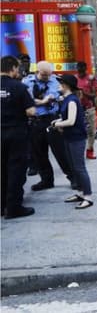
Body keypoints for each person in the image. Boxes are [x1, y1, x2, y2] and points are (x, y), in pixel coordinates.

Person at [1, 55, 36, 218]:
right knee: (16, 169)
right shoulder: (19, 87)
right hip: (16, 133)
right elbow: (31, 111)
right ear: (13, 68)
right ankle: (14, 207)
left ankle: (1, 206)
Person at [52, 74, 93, 210]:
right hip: (69, 137)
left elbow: (71, 121)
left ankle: (88, 197)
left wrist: (57, 124)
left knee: (79, 168)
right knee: (74, 166)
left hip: (76, 138)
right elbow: (67, 119)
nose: (58, 85)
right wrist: (57, 122)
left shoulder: (71, 101)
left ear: (66, 85)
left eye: (60, 83)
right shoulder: (67, 99)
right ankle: (81, 193)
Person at [23, 61, 61, 191]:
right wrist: (43, 101)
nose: (47, 78)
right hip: (35, 120)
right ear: (37, 71)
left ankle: (73, 178)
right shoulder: (27, 82)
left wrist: (40, 101)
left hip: (51, 119)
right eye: (44, 75)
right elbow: (26, 100)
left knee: (60, 151)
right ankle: (46, 180)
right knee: (39, 153)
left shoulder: (54, 81)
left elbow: (53, 96)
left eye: (49, 75)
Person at [75, 61, 97, 160]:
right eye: (78, 69)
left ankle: (90, 150)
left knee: (91, 131)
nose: (80, 71)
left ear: (85, 69)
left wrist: (83, 92)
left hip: (89, 108)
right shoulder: (74, 79)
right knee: (79, 131)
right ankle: (78, 151)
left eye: (82, 69)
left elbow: (94, 95)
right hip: (77, 109)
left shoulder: (91, 79)